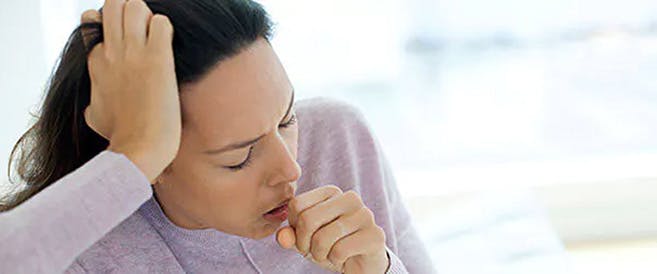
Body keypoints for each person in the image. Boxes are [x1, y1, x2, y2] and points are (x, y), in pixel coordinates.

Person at [0, 0, 436, 273]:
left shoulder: (340, 137)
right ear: (151, 163)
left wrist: (379, 270)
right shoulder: (86, 254)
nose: (291, 168)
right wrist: (129, 158)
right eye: (239, 157)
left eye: (286, 120)